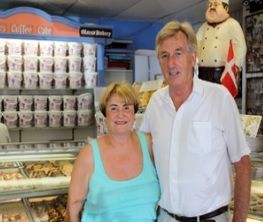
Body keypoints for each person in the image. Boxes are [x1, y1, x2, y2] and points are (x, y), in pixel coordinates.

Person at [140, 20, 251, 222]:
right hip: (166, 218)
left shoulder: (220, 99)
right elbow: (144, 156)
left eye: (178, 53)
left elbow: (242, 164)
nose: (171, 63)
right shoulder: (155, 103)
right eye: (164, 56)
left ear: (193, 58)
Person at [67, 82, 160, 222]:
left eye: (126, 107)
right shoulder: (89, 155)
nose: (120, 114)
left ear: (134, 113)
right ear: (105, 115)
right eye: (114, 108)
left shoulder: (149, 144)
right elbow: (73, 208)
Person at [196, 0, 247, 84]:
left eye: (216, 4)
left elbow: (240, 46)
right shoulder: (203, 27)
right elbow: (196, 45)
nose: (212, 7)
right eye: (210, 5)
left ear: (226, 8)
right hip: (202, 73)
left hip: (224, 72)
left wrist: (236, 67)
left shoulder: (232, 24)